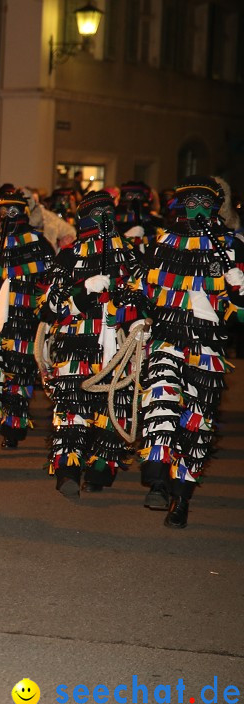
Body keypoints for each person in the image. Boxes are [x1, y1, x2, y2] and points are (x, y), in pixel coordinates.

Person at [138, 176, 244, 528]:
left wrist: (239, 294)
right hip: (167, 340)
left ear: (215, 206)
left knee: (196, 425)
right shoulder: (160, 245)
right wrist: (123, 307)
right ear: (180, 205)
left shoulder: (230, 247)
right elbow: (143, 295)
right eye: (191, 201)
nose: (197, 208)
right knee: (161, 402)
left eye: (204, 201)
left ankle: (181, 498)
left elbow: (239, 314)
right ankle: (156, 478)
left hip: (208, 348)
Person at [40, 190, 146, 497]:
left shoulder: (128, 253)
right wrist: (83, 289)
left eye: (109, 213)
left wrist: (136, 317)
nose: (105, 220)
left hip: (118, 342)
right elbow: (50, 307)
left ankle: (101, 468)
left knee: (115, 408)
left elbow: (145, 293)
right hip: (76, 341)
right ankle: (68, 469)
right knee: (71, 406)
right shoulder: (68, 256)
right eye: (98, 214)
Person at [0, 191, 55, 450]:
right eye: (3, 212)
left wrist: (44, 317)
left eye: (13, 212)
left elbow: (48, 283)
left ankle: (12, 429)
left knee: (18, 377)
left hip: (23, 321)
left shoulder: (38, 242)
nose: (8, 217)